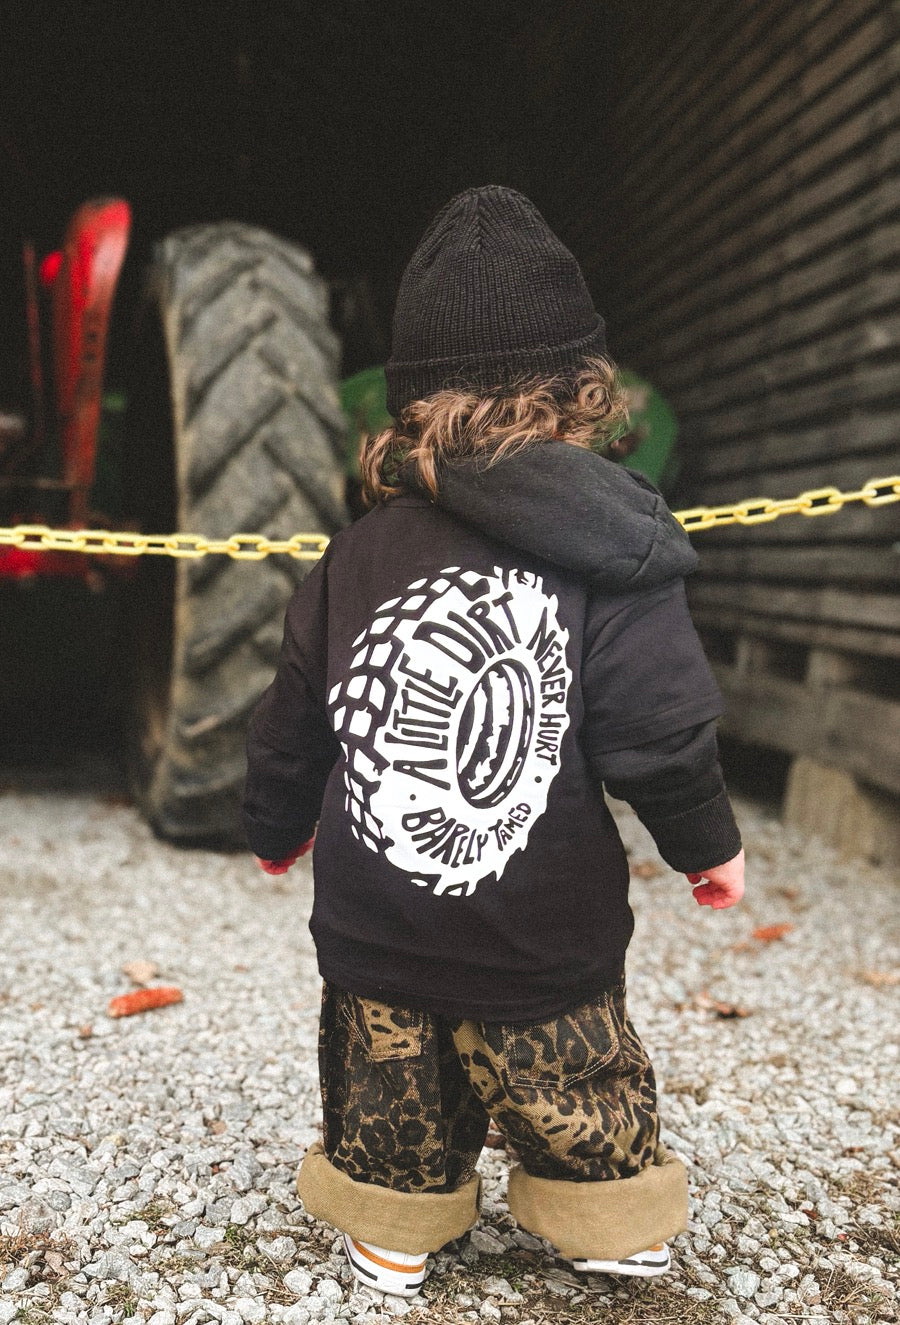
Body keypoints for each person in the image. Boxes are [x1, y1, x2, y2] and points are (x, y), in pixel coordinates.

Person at [243, 185, 745, 1299]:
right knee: (576, 1081)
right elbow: (661, 730)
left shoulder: (351, 558)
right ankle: (607, 1217)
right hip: (543, 937)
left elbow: (290, 724)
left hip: (379, 930)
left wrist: (275, 828)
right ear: (583, 393)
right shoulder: (613, 547)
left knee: (390, 1094)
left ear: (408, 406)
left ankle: (394, 1225)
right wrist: (706, 842)